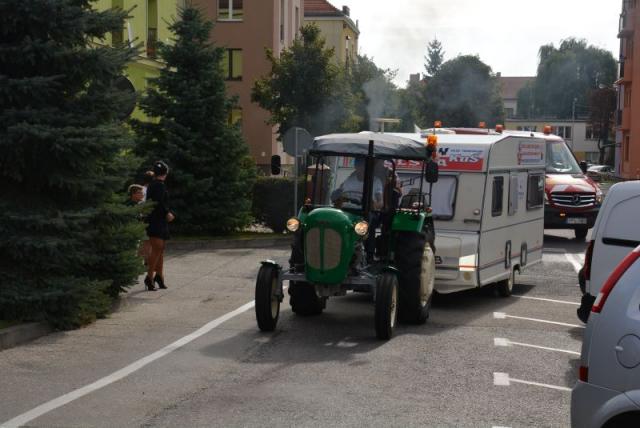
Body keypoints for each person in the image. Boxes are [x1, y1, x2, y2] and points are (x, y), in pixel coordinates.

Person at [144, 161, 175, 291]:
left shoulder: (154, 184)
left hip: (157, 221)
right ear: (165, 173)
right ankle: (149, 277)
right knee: (157, 249)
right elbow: (159, 203)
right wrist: (167, 213)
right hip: (156, 221)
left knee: (160, 250)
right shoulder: (159, 185)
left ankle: (159, 276)